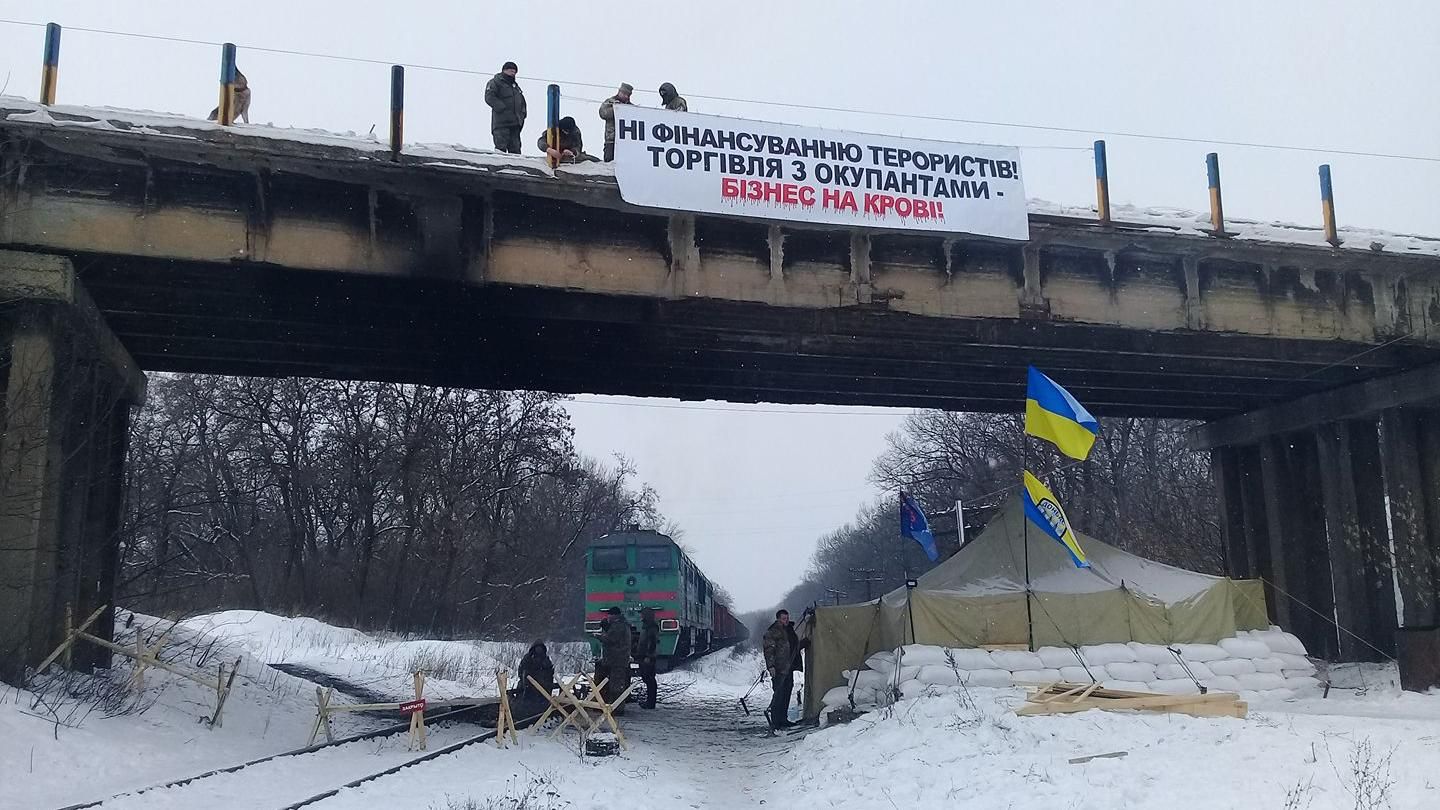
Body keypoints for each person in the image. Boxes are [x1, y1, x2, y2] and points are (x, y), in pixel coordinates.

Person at [762, 608, 801, 731]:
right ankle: (775, 721)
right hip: (779, 668)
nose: (786, 620)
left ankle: (783, 719)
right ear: (778, 619)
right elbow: (769, 650)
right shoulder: (773, 631)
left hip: (789, 666)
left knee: (787, 692)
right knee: (779, 694)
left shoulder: (789, 630)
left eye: (787, 618)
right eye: (784, 619)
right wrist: (771, 666)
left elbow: (793, 645)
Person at [484, 61, 527, 154]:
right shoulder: (495, 82)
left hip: (515, 124)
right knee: (500, 149)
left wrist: (522, 115)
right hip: (501, 123)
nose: (513, 73)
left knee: (516, 151)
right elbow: (489, 97)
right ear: (504, 70)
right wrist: (503, 109)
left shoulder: (516, 88)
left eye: (514, 71)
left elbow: (522, 103)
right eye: (511, 70)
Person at [598, 606, 632, 712]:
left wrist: (599, 636)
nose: (609, 617)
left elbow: (612, 639)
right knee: (616, 683)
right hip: (617, 658)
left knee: (616, 685)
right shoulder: (620, 625)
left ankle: (617, 708)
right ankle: (614, 706)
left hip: (617, 659)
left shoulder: (619, 626)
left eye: (610, 615)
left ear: (615, 615)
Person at [597, 82, 633, 162]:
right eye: (624, 93)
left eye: (628, 95)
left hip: (627, 141)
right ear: (619, 91)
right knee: (609, 164)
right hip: (611, 140)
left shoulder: (631, 107)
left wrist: (627, 109)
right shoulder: (610, 101)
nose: (626, 96)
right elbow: (603, 113)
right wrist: (616, 109)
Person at [516, 640, 555, 705]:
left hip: (543, 687)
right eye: (537, 648)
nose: (539, 650)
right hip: (528, 686)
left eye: (540, 648)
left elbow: (550, 674)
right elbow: (521, 672)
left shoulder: (545, 660)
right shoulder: (528, 658)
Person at [636, 606, 660, 709]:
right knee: (647, 678)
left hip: (648, 657)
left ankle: (651, 703)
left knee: (649, 679)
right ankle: (650, 701)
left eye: (642, 614)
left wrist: (648, 656)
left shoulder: (651, 627)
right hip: (645, 655)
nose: (640, 616)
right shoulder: (647, 626)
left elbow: (652, 642)